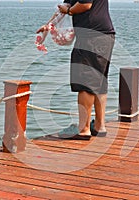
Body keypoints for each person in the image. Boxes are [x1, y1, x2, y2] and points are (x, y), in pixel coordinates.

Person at [37, 0, 115, 140]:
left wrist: (68, 11)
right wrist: (49, 25)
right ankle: (99, 126)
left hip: (91, 36)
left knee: (85, 83)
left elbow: (85, 5)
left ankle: (84, 130)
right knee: (99, 81)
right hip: (103, 35)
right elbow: (66, 6)